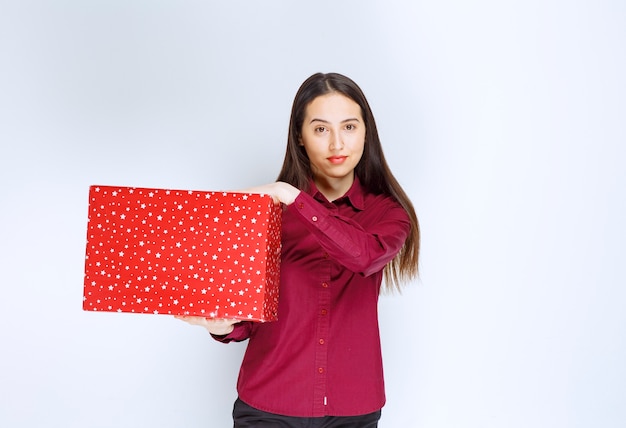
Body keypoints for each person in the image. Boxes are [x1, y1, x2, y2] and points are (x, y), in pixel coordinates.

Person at [177, 72, 420, 427]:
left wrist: (293, 197)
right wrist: (221, 325)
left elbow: (363, 257)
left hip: (352, 408)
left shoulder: (388, 214)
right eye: (321, 129)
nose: (337, 143)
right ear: (301, 138)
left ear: (366, 133)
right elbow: (248, 318)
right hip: (269, 402)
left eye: (349, 127)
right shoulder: (265, 215)